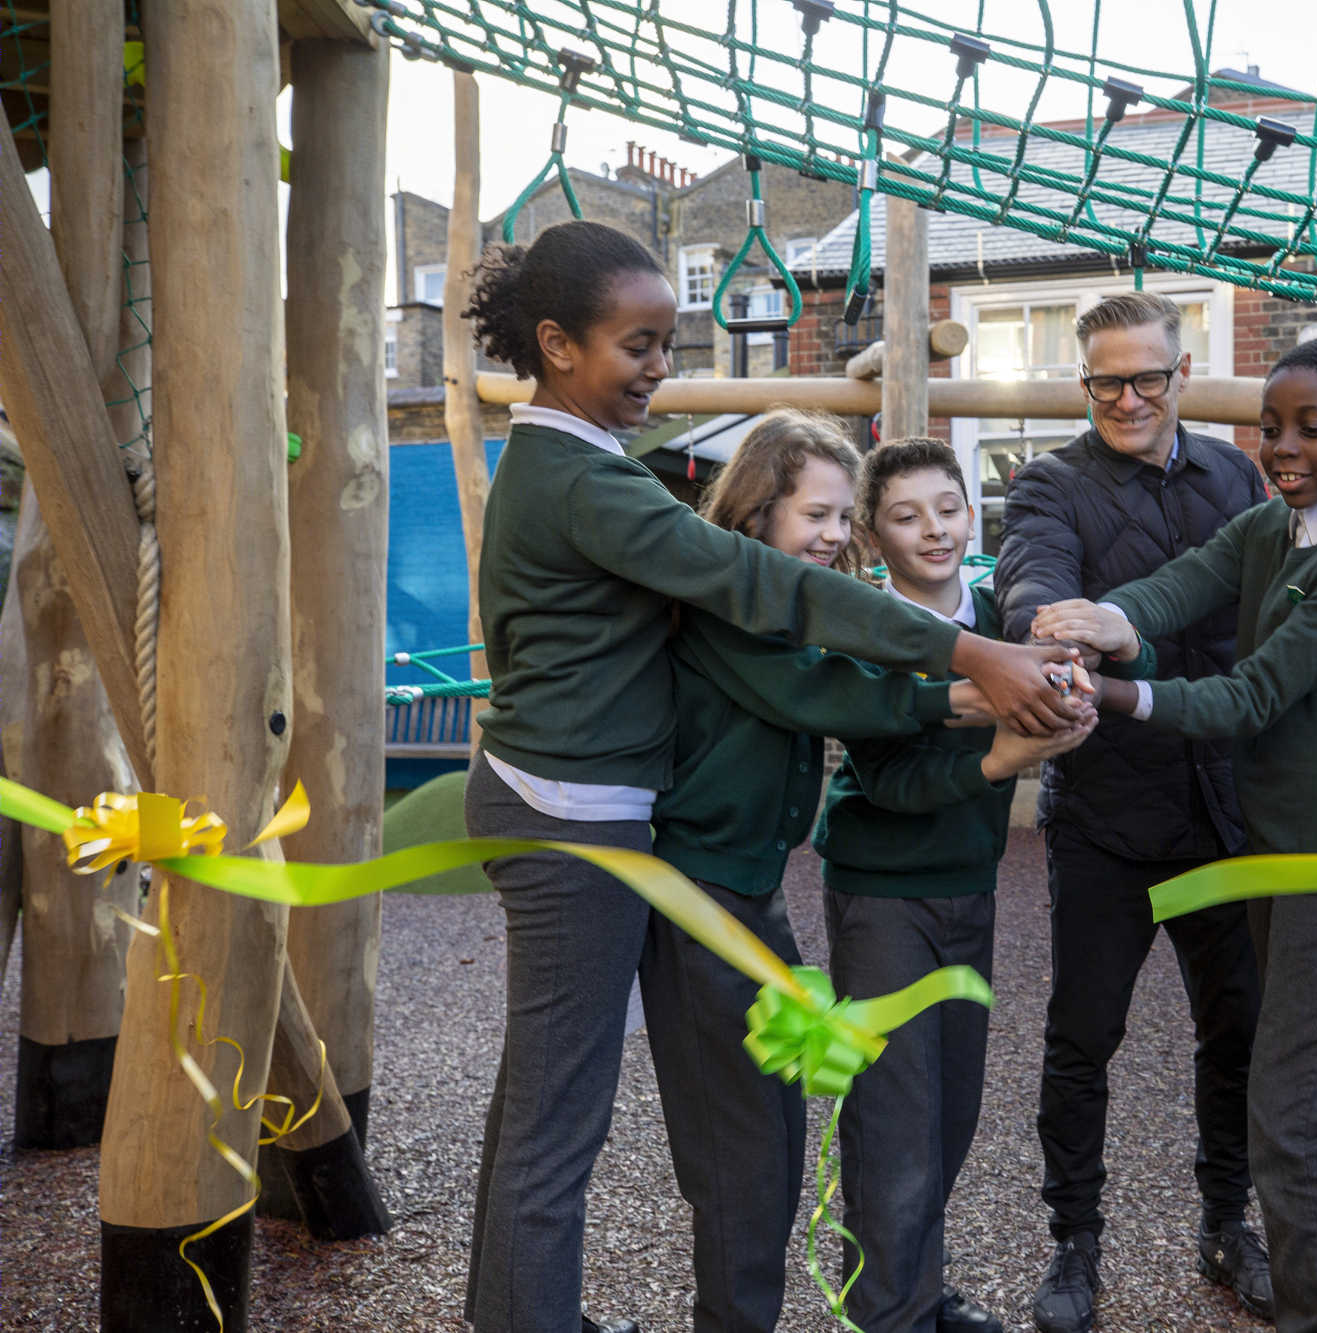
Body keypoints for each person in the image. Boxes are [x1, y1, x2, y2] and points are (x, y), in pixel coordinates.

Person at [457, 220, 1079, 1333]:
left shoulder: (584, 467)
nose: (659, 364)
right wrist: (965, 661)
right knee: (571, 1129)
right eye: (636, 344)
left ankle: (515, 1308)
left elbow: (801, 646)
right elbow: (777, 615)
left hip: (591, 815)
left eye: (665, 340)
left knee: (549, 1114)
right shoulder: (585, 482)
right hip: (576, 819)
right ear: (554, 343)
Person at [1029, 334, 1317, 1332]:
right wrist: (1105, 616)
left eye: (1312, 428)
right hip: (1274, 842)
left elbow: (1251, 693)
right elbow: (1183, 581)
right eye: (1269, 426)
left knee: (1289, 1114)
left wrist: (1114, 688)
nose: (1283, 446)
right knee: (1310, 1068)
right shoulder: (1279, 524)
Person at [637, 411, 1002, 1333]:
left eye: (844, 519)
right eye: (821, 516)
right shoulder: (728, 603)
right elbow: (825, 692)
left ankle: (879, 1294)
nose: (835, 537)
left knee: (782, 1125)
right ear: (759, 510)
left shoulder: (780, 601)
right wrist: (975, 687)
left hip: (747, 890)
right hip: (698, 890)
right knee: (744, 1150)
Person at [993, 291, 1269, 1331]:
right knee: (1081, 1034)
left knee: (1235, 1028)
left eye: (1145, 376)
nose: (1126, 397)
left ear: (1179, 373)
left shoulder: (1235, 477)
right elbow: (1030, 582)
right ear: (1083, 384)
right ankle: (1073, 1245)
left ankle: (1225, 1223)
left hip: (1222, 804)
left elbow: (1261, 606)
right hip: (1107, 807)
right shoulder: (1050, 485)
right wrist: (1041, 628)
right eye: (1105, 380)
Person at [814, 438, 1097, 1333]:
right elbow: (891, 781)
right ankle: (889, 1313)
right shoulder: (864, 626)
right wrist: (1007, 756)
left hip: (967, 884)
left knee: (952, 1110)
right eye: (906, 514)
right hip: (884, 892)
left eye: (948, 506)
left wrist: (1071, 710)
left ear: (973, 513)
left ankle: (913, 1289)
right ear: (872, 532)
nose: (933, 528)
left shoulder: (1009, 615)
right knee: (895, 1119)